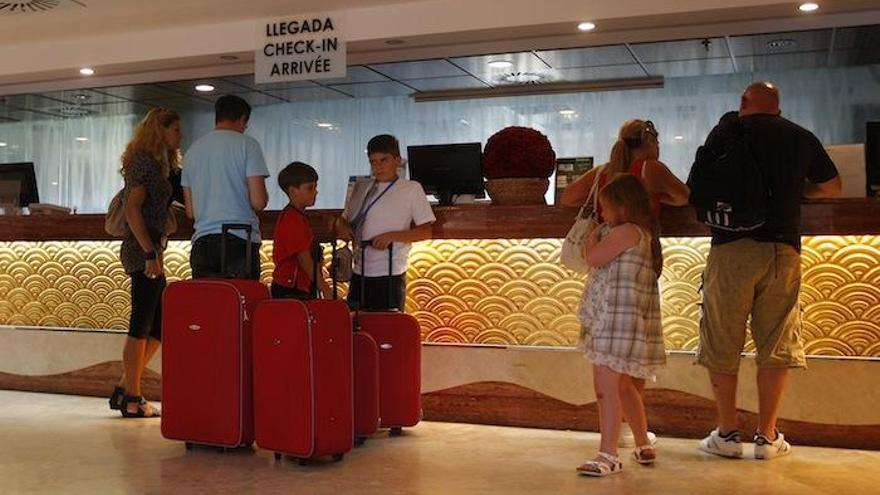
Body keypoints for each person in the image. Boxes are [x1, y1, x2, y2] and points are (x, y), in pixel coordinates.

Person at [696, 82, 841, 460]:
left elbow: (699, 188)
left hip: (728, 250)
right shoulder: (798, 136)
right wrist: (796, 191)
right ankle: (767, 436)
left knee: (722, 340)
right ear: (778, 106)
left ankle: (727, 433)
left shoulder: (724, 132)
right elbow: (833, 187)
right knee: (776, 342)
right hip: (781, 250)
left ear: (743, 103)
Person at [561, 118, 689, 446]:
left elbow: (568, 198)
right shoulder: (650, 169)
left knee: (614, 360)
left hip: (608, 272)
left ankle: (618, 434)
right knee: (633, 357)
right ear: (651, 142)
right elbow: (685, 197)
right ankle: (635, 431)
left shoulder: (603, 171)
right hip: (641, 266)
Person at [575, 174, 665, 477]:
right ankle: (642, 442)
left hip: (613, 321)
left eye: (606, 208)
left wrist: (590, 242)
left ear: (623, 207)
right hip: (629, 322)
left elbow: (595, 258)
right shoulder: (643, 234)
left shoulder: (626, 231)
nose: (603, 214)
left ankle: (608, 454)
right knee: (624, 386)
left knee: (605, 390)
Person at [110, 107, 183, 418]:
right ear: (161, 131)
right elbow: (132, 210)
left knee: (159, 325)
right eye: (176, 130)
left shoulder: (162, 165)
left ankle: (126, 387)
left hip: (153, 247)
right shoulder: (142, 163)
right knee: (140, 324)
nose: (180, 135)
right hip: (143, 249)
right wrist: (150, 253)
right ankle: (133, 397)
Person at [333, 134, 435, 311]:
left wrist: (392, 236)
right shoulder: (362, 187)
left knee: (387, 331)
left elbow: (426, 232)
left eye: (384, 160)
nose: (378, 167)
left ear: (397, 160)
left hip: (390, 273)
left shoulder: (411, 189)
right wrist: (340, 226)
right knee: (356, 330)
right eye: (373, 162)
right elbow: (343, 219)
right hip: (359, 270)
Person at [182, 95, 269, 279]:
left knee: (209, 305)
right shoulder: (248, 145)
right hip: (238, 240)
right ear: (242, 119)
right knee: (239, 304)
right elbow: (259, 201)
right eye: (246, 123)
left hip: (202, 243)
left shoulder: (192, 151)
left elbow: (191, 211)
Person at [271, 161, 331, 300]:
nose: (316, 192)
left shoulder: (295, 216)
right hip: (291, 287)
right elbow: (304, 259)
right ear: (293, 191)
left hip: (295, 285)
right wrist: (325, 288)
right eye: (310, 188)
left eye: (315, 187)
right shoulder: (293, 219)